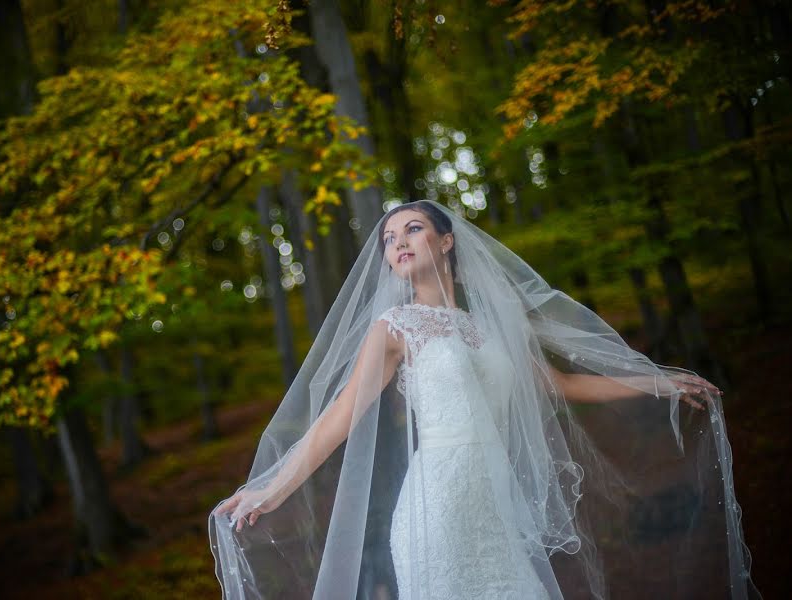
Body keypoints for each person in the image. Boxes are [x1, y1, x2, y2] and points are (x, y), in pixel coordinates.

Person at [209, 200, 759, 599]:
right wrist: (270, 488)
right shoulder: (395, 327)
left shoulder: (491, 326)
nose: (397, 241)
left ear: (447, 241)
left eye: (413, 229)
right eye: (388, 238)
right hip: (438, 503)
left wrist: (657, 381)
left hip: (496, 506)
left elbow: (559, 385)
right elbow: (341, 415)